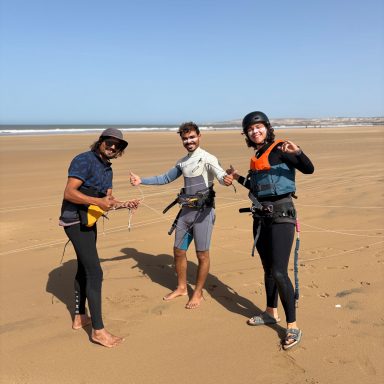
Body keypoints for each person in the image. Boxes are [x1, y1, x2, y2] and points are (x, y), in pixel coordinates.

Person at [229, 111, 314, 350]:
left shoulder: (280, 148)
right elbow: (256, 188)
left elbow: (309, 169)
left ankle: (292, 326)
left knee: (279, 272)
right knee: (268, 269)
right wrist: (236, 177)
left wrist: (298, 152)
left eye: (259, 127)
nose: (255, 132)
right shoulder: (257, 156)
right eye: (250, 129)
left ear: (267, 127)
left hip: (282, 215)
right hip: (261, 217)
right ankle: (270, 312)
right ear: (247, 134)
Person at [130, 122, 233, 309]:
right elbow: (165, 178)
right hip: (185, 213)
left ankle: (198, 292)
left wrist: (227, 180)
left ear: (199, 136)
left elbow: (222, 177)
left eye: (192, 137)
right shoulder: (183, 162)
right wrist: (141, 180)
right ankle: (182, 287)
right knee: (178, 251)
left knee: (202, 254)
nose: (189, 141)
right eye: (185, 138)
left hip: (204, 213)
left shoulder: (208, 158)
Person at [59, 128, 140, 348]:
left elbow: (108, 201)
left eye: (118, 145)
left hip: (89, 220)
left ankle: (79, 317)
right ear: (100, 142)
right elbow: (69, 192)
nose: (113, 147)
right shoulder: (83, 160)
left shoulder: (107, 170)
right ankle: (98, 330)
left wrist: (124, 204)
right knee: (95, 271)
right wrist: (97, 203)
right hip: (74, 220)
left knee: (84, 268)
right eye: (109, 142)